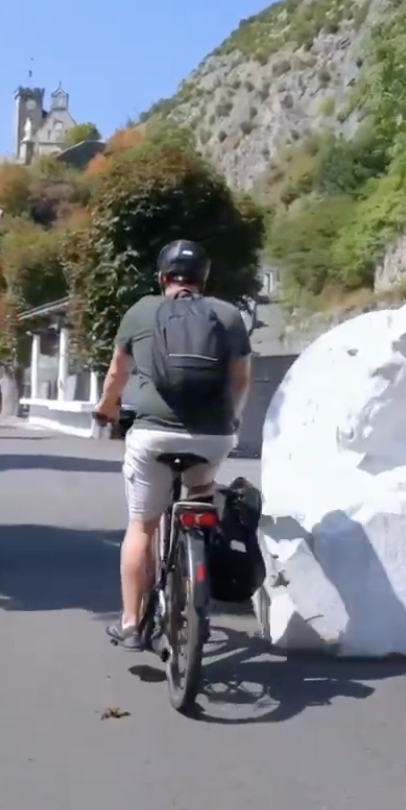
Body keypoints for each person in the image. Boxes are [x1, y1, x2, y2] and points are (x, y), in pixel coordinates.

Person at [93, 240, 252, 650]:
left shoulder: (142, 311)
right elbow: (240, 380)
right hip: (213, 436)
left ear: (163, 278)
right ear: (204, 279)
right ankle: (198, 578)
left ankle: (131, 623)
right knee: (201, 495)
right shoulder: (228, 315)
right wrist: (231, 420)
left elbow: (116, 374)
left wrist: (106, 409)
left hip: (153, 433)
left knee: (141, 526)